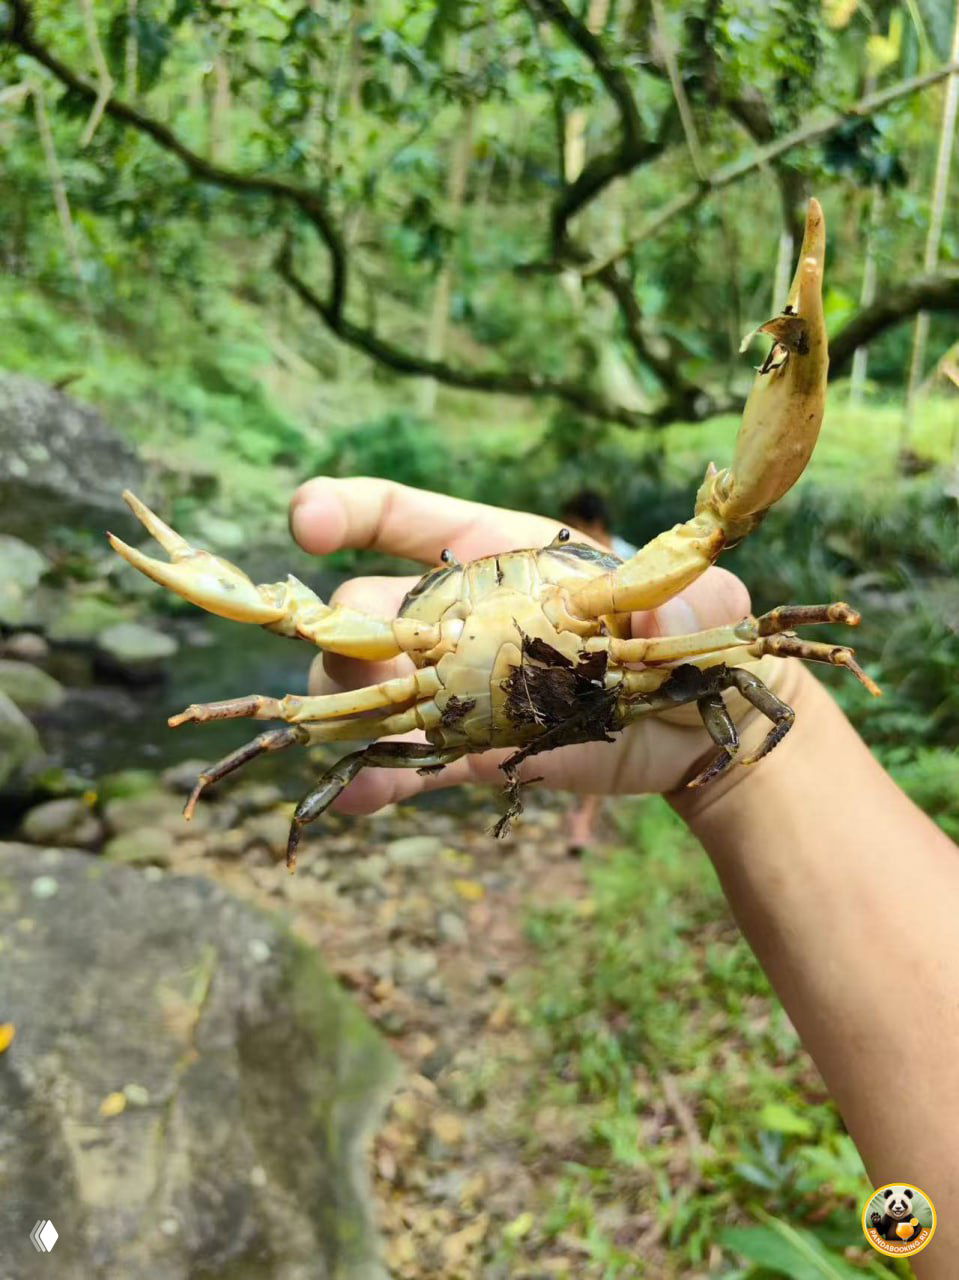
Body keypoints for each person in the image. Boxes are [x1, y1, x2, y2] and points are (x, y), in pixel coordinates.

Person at [290, 476, 959, 1276]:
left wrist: (767, 729)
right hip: (456, 711)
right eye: (452, 582)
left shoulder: (639, 603)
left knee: (735, 660)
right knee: (327, 725)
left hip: (626, 685)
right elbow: (303, 712)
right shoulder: (408, 654)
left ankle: (586, 816)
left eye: (556, 561)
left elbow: (751, 662)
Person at [559, 489, 638, 854]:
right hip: (575, 659)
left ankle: (583, 821)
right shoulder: (568, 558)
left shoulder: (628, 558)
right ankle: (583, 816)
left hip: (619, 660)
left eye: (573, 524)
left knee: (602, 736)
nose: (569, 530)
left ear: (594, 524)